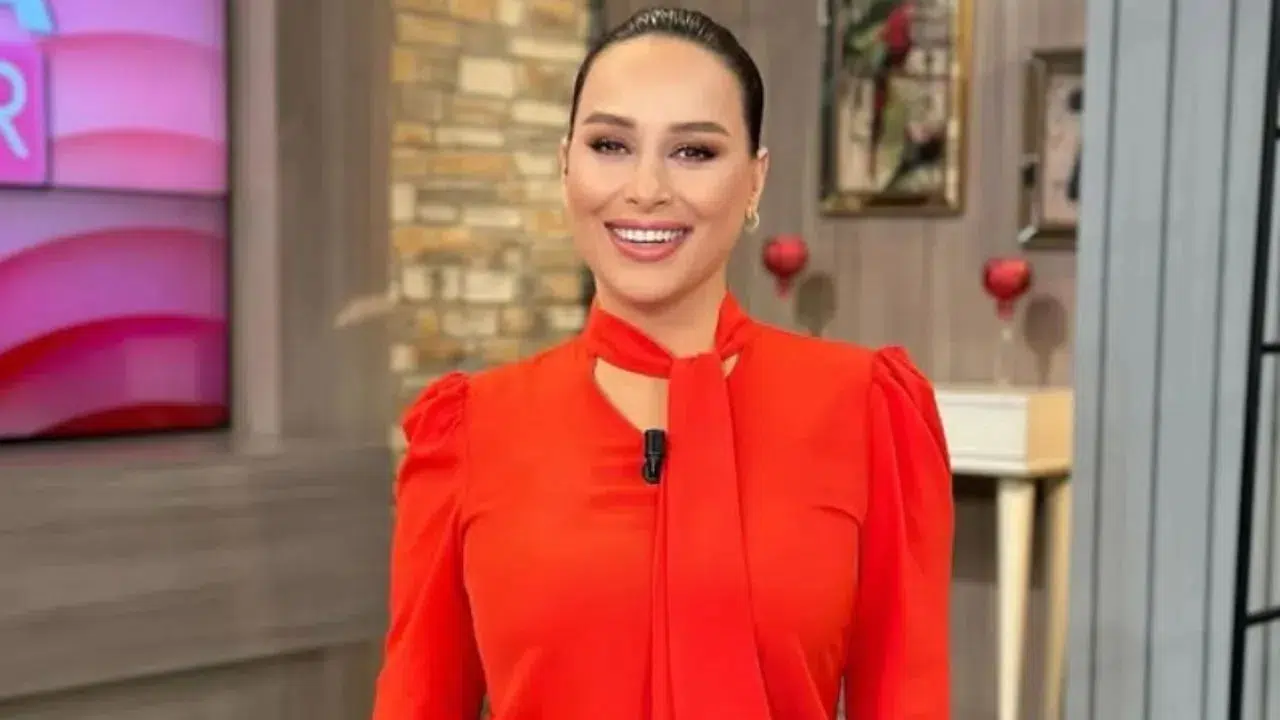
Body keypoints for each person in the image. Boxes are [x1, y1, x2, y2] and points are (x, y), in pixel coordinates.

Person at [370, 7, 953, 720]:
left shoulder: (865, 408)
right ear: (566, 165)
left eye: (694, 152)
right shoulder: (468, 429)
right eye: (611, 145)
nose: (646, 188)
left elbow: (906, 698)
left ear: (755, 180)